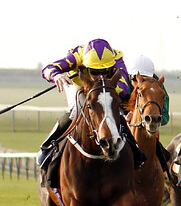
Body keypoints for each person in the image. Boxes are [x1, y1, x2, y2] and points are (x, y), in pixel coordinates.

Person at [36, 39, 144, 183]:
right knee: (75, 112)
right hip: (80, 86)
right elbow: (48, 69)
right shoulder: (76, 56)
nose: (100, 76)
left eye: (104, 71)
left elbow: (123, 88)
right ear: (86, 65)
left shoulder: (116, 58)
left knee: (112, 111)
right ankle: (47, 148)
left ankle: (135, 152)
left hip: (104, 90)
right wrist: (57, 75)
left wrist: (101, 88)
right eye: (94, 71)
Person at [125, 54, 172, 172]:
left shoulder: (158, 88)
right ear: (131, 77)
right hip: (123, 130)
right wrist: (125, 115)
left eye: (145, 79)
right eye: (136, 79)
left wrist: (148, 117)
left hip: (150, 133)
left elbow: (165, 117)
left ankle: (169, 181)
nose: (140, 83)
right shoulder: (123, 85)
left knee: (166, 162)